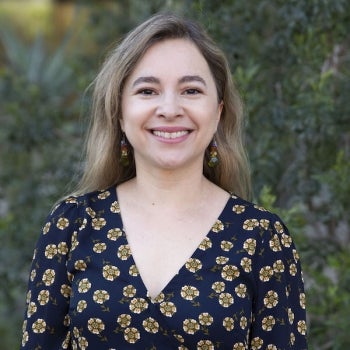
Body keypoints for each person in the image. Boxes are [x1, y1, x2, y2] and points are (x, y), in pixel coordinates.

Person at [20, 13, 307, 349]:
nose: (170, 108)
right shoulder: (71, 225)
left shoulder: (262, 238)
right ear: (120, 113)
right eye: (147, 90)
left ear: (217, 112)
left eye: (191, 90)